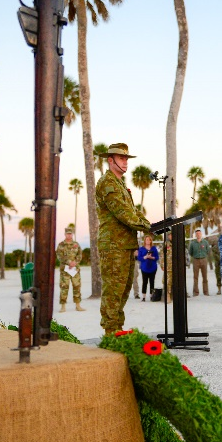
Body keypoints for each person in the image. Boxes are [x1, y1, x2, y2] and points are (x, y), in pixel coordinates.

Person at [95, 143, 151, 334]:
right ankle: (111, 333)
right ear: (110, 160)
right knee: (113, 292)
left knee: (124, 289)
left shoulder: (120, 184)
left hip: (125, 244)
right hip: (113, 246)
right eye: (121, 158)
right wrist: (147, 227)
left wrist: (150, 224)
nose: (125, 162)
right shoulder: (107, 183)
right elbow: (123, 214)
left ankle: (117, 330)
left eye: (127, 158)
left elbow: (133, 211)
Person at [55, 225, 85, 312]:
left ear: (72, 234)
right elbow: (59, 256)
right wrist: (69, 262)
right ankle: (63, 306)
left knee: (77, 286)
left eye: (70, 234)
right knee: (64, 287)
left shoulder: (76, 244)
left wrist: (75, 262)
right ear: (65, 234)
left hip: (75, 269)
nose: (69, 235)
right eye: (67, 234)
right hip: (65, 270)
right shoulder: (61, 245)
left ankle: (78, 305)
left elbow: (79, 254)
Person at [188, 228, 211, 297]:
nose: (198, 235)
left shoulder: (205, 242)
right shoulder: (192, 243)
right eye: (197, 234)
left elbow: (208, 250)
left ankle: (206, 292)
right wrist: (195, 256)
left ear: (201, 234)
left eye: (199, 233)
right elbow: (190, 252)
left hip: (204, 260)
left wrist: (204, 256)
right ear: (195, 235)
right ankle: (195, 292)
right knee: (195, 277)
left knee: (205, 277)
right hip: (196, 260)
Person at [137, 234, 158, 301]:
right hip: (144, 268)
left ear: (151, 241)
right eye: (147, 240)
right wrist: (145, 257)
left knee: (152, 282)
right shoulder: (141, 249)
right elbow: (139, 258)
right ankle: (143, 296)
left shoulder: (154, 248)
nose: (148, 241)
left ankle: (151, 295)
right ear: (145, 241)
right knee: (144, 282)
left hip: (153, 268)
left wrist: (152, 257)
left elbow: (157, 257)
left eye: (149, 240)